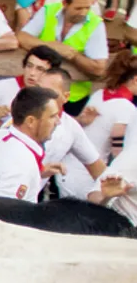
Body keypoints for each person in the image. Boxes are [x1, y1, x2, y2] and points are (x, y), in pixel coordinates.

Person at [17, 0, 108, 113]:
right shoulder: (48, 11)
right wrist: (51, 46)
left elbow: (99, 68)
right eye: (78, 8)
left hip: (72, 98)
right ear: (65, 3)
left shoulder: (96, 24)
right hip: (38, 93)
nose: (83, 13)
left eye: (87, 8)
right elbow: (22, 37)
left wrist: (74, 56)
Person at [0, 86, 60, 202]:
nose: (58, 122)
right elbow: (4, 212)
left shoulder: (1, 135)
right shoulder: (23, 163)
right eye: (52, 116)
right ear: (30, 121)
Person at [35, 67, 105, 196]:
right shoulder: (21, 119)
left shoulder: (70, 127)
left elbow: (98, 169)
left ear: (66, 96)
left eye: (49, 93)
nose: (41, 98)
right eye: (38, 90)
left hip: (26, 202)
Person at [0, 46, 64, 137]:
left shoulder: (51, 99)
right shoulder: (1, 87)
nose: (32, 73)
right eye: (29, 66)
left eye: (40, 69)